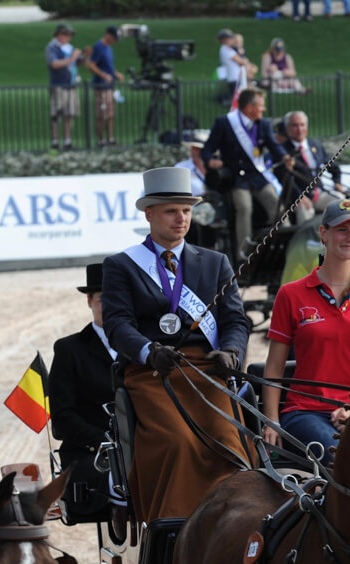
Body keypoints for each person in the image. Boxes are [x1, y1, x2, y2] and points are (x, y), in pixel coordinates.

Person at [101, 167, 252, 524]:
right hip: (152, 372)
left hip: (208, 369)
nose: (181, 218)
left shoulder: (215, 263)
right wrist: (148, 350)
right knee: (176, 442)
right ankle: (171, 528)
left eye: (186, 210)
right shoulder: (121, 266)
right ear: (149, 214)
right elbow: (117, 324)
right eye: (171, 211)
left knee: (227, 441)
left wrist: (231, 352)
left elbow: (236, 321)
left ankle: (236, 523)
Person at [262, 200, 350, 463]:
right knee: (347, 460)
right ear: (323, 234)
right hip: (304, 413)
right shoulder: (290, 294)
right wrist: (271, 421)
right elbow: (274, 366)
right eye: (341, 230)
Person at [49, 264, 115, 522]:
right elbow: (62, 417)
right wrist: (105, 442)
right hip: (93, 454)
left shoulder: (143, 348)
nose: (111, 307)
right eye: (103, 301)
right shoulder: (69, 350)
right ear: (89, 300)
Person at [200, 87, 292, 261]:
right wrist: (210, 161)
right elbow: (207, 149)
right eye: (261, 105)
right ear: (250, 108)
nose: (264, 109)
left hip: (257, 176)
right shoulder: (224, 123)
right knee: (244, 207)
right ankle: (244, 253)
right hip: (237, 178)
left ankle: (288, 243)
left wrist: (285, 157)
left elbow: (273, 145)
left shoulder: (263, 124)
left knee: (275, 202)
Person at [276, 110, 349, 224]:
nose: (299, 129)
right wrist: (299, 197)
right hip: (296, 197)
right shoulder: (281, 150)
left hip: (319, 194)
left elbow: (334, 167)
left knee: (343, 206)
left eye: (302, 125)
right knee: (305, 211)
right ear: (287, 128)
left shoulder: (316, 145)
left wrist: (337, 182)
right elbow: (283, 176)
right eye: (295, 126)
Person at [46, 23, 85, 152]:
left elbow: (79, 62)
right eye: (66, 34)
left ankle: (68, 141)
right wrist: (72, 58)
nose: (68, 37)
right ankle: (55, 141)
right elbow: (54, 64)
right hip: (58, 86)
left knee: (69, 114)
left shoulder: (70, 48)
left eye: (69, 35)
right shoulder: (52, 48)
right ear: (59, 35)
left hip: (71, 86)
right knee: (56, 115)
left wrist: (85, 56)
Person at [86, 26, 124, 148]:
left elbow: (108, 66)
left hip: (109, 86)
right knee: (101, 115)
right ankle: (101, 141)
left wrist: (115, 74)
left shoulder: (108, 48)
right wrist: (104, 75)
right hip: (101, 86)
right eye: (114, 38)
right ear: (108, 35)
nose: (115, 41)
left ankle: (110, 139)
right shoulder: (99, 47)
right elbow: (91, 65)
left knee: (110, 114)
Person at [217, 28, 256, 101]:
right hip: (234, 78)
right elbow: (242, 61)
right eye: (229, 38)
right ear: (223, 40)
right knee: (239, 100)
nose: (232, 39)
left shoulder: (229, 49)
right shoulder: (225, 49)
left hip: (237, 78)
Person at [174, 129, 209, 198]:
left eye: (201, 149)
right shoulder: (180, 168)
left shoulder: (214, 167)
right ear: (192, 149)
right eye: (195, 148)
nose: (198, 152)